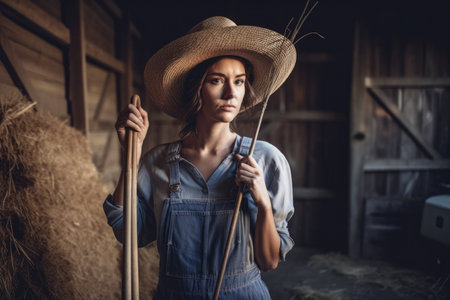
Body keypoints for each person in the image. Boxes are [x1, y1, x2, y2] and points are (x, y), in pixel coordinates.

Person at [104, 16, 296, 299]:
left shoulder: (266, 159)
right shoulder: (157, 162)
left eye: (240, 81)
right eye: (217, 80)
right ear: (196, 88)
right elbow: (128, 232)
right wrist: (131, 156)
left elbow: (269, 262)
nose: (232, 93)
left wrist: (263, 202)